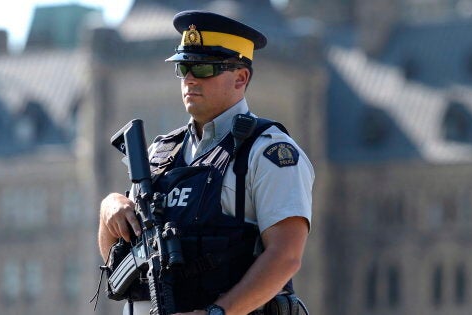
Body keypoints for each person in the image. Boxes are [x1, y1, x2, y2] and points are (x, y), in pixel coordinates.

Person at [98, 10, 314, 315]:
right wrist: (109, 210)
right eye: (183, 67)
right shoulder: (158, 155)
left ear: (241, 77)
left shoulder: (268, 152)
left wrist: (217, 313)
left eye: (203, 69)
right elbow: (118, 262)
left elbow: (286, 256)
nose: (189, 79)